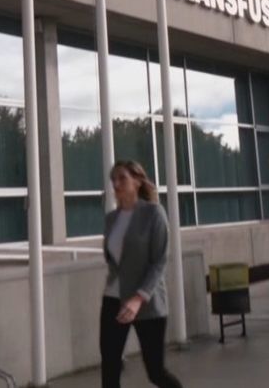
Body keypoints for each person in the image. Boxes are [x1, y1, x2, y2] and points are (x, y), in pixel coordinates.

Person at [100, 160, 184, 388]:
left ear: (137, 181)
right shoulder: (111, 219)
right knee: (110, 368)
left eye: (122, 178)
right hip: (113, 299)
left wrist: (138, 298)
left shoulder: (154, 213)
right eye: (113, 179)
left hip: (147, 302)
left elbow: (159, 261)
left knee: (156, 372)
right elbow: (114, 260)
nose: (116, 183)